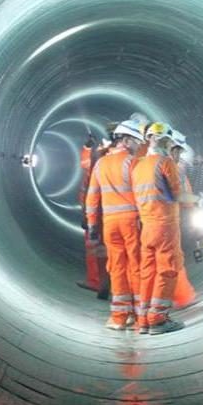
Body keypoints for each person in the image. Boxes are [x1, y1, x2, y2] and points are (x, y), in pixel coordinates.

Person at [85, 119, 145, 330]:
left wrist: (92, 225)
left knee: (117, 268)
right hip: (131, 222)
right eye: (137, 141)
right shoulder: (133, 163)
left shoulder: (101, 164)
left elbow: (92, 197)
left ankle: (119, 317)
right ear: (127, 140)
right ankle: (139, 315)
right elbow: (142, 194)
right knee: (136, 267)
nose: (139, 146)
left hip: (110, 225)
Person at [132, 122, 185, 335]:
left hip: (147, 226)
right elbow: (177, 194)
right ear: (162, 139)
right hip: (165, 225)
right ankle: (158, 319)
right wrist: (196, 200)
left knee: (148, 272)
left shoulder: (138, 166)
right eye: (168, 140)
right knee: (167, 270)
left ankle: (144, 319)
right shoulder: (166, 162)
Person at [77, 133, 110, 299]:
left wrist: (87, 218)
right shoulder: (96, 164)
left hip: (99, 215)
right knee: (102, 250)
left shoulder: (101, 168)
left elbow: (91, 196)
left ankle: (98, 281)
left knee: (97, 249)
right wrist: (87, 148)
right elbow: (85, 162)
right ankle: (102, 282)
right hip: (106, 215)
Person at [170, 130, 201, 308]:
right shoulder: (169, 167)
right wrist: (195, 201)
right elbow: (178, 195)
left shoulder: (175, 168)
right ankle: (181, 296)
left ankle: (180, 295)